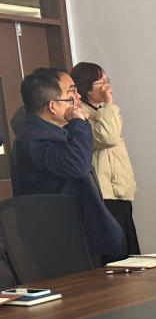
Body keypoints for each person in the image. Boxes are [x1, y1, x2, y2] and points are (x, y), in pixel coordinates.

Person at [13, 68, 125, 258]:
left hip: (77, 233)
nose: (78, 97)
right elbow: (77, 166)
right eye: (71, 92)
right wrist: (78, 123)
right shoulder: (34, 139)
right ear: (52, 106)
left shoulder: (52, 132)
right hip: (61, 239)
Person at [71, 62, 141, 256]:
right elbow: (108, 138)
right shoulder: (80, 114)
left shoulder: (102, 110)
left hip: (119, 190)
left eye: (107, 81)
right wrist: (110, 104)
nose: (107, 86)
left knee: (130, 251)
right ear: (86, 88)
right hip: (104, 192)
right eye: (101, 82)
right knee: (115, 252)